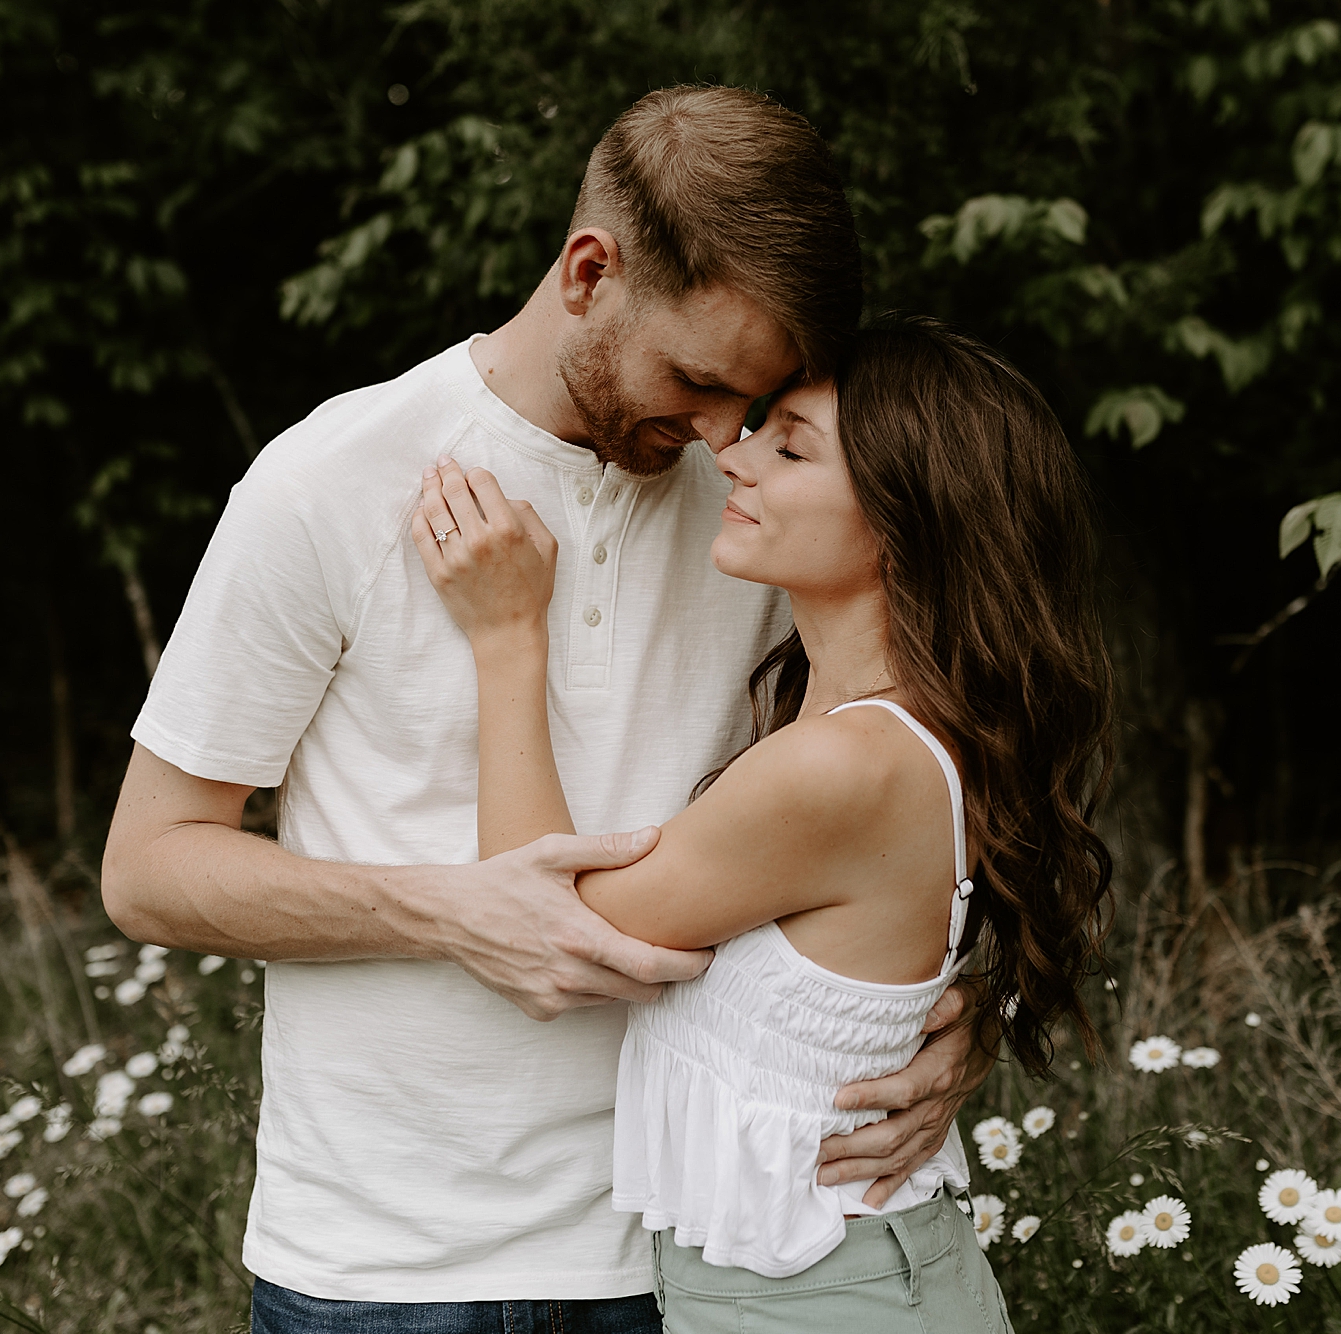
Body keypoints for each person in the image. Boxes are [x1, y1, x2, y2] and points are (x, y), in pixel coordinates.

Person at [100, 87, 992, 1333]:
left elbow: (910, 770)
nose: (712, 432)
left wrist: (952, 1009)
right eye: (690, 380)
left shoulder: (755, 514)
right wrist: (446, 912)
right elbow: (146, 870)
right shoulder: (326, 480)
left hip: (682, 1262)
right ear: (587, 272)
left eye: (751, 401)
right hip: (383, 1271)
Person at [411, 314, 1115, 1331]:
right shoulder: (876, 729)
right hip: (825, 1282)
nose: (731, 457)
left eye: (788, 446)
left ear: (901, 520)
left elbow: (553, 927)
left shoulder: (841, 761)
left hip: (831, 1296)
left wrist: (507, 636)